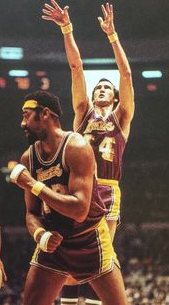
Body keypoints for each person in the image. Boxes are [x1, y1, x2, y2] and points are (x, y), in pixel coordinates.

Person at [42, 0, 135, 305]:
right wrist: (66, 29)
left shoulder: (120, 118)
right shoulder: (82, 113)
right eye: (98, 88)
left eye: (107, 87)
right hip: (80, 189)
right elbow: (76, 67)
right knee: (71, 253)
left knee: (99, 257)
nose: (101, 89)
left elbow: (126, 74)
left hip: (108, 189)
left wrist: (112, 35)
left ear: (116, 96)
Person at [10, 90, 128, 305]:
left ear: (45, 113)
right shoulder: (29, 158)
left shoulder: (77, 146)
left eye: (27, 115)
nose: (22, 123)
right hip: (55, 244)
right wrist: (39, 235)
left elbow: (80, 210)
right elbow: (31, 213)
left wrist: (33, 184)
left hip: (89, 240)